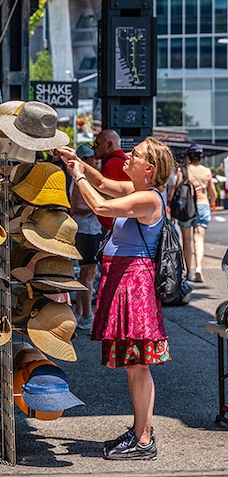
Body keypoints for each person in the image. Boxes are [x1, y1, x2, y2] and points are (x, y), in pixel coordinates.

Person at [57, 136, 174, 461]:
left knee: (138, 365)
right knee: (135, 366)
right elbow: (105, 183)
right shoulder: (140, 193)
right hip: (128, 282)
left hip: (134, 285)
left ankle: (144, 438)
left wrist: (78, 175)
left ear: (148, 169)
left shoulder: (149, 199)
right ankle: (141, 433)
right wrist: (77, 165)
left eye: (135, 155)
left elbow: (101, 205)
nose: (129, 157)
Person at [70, 144, 101, 332]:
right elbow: (74, 206)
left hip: (89, 229)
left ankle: (82, 312)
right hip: (86, 230)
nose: (94, 160)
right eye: (90, 157)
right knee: (88, 273)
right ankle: (87, 315)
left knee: (85, 274)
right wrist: (96, 207)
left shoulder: (85, 178)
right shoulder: (80, 179)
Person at [177, 143, 217, 282]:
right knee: (199, 239)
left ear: (188, 155)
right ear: (201, 156)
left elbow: (177, 190)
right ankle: (199, 267)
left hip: (187, 207)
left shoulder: (183, 170)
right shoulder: (206, 171)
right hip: (202, 205)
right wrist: (212, 203)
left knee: (186, 241)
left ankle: (189, 271)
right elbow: (213, 193)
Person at [93, 129, 131, 232]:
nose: (94, 148)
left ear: (108, 145)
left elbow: (104, 195)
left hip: (112, 225)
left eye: (97, 144)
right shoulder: (123, 162)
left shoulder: (111, 165)